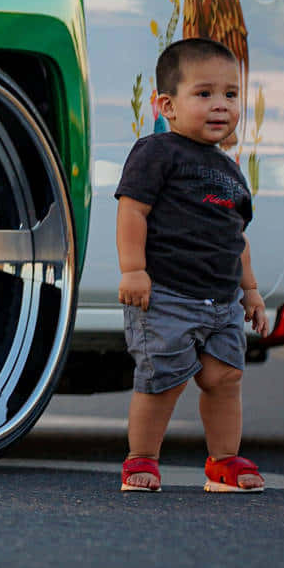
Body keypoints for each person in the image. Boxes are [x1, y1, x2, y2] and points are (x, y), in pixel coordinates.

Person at [115, 37, 268, 493]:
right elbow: (132, 210)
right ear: (167, 104)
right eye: (204, 94)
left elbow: (235, 236)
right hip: (166, 295)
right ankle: (141, 459)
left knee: (226, 377)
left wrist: (252, 291)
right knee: (161, 380)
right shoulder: (156, 152)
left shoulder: (231, 170)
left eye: (231, 94)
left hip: (221, 301)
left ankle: (223, 462)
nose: (220, 105)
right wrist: (133, 270)